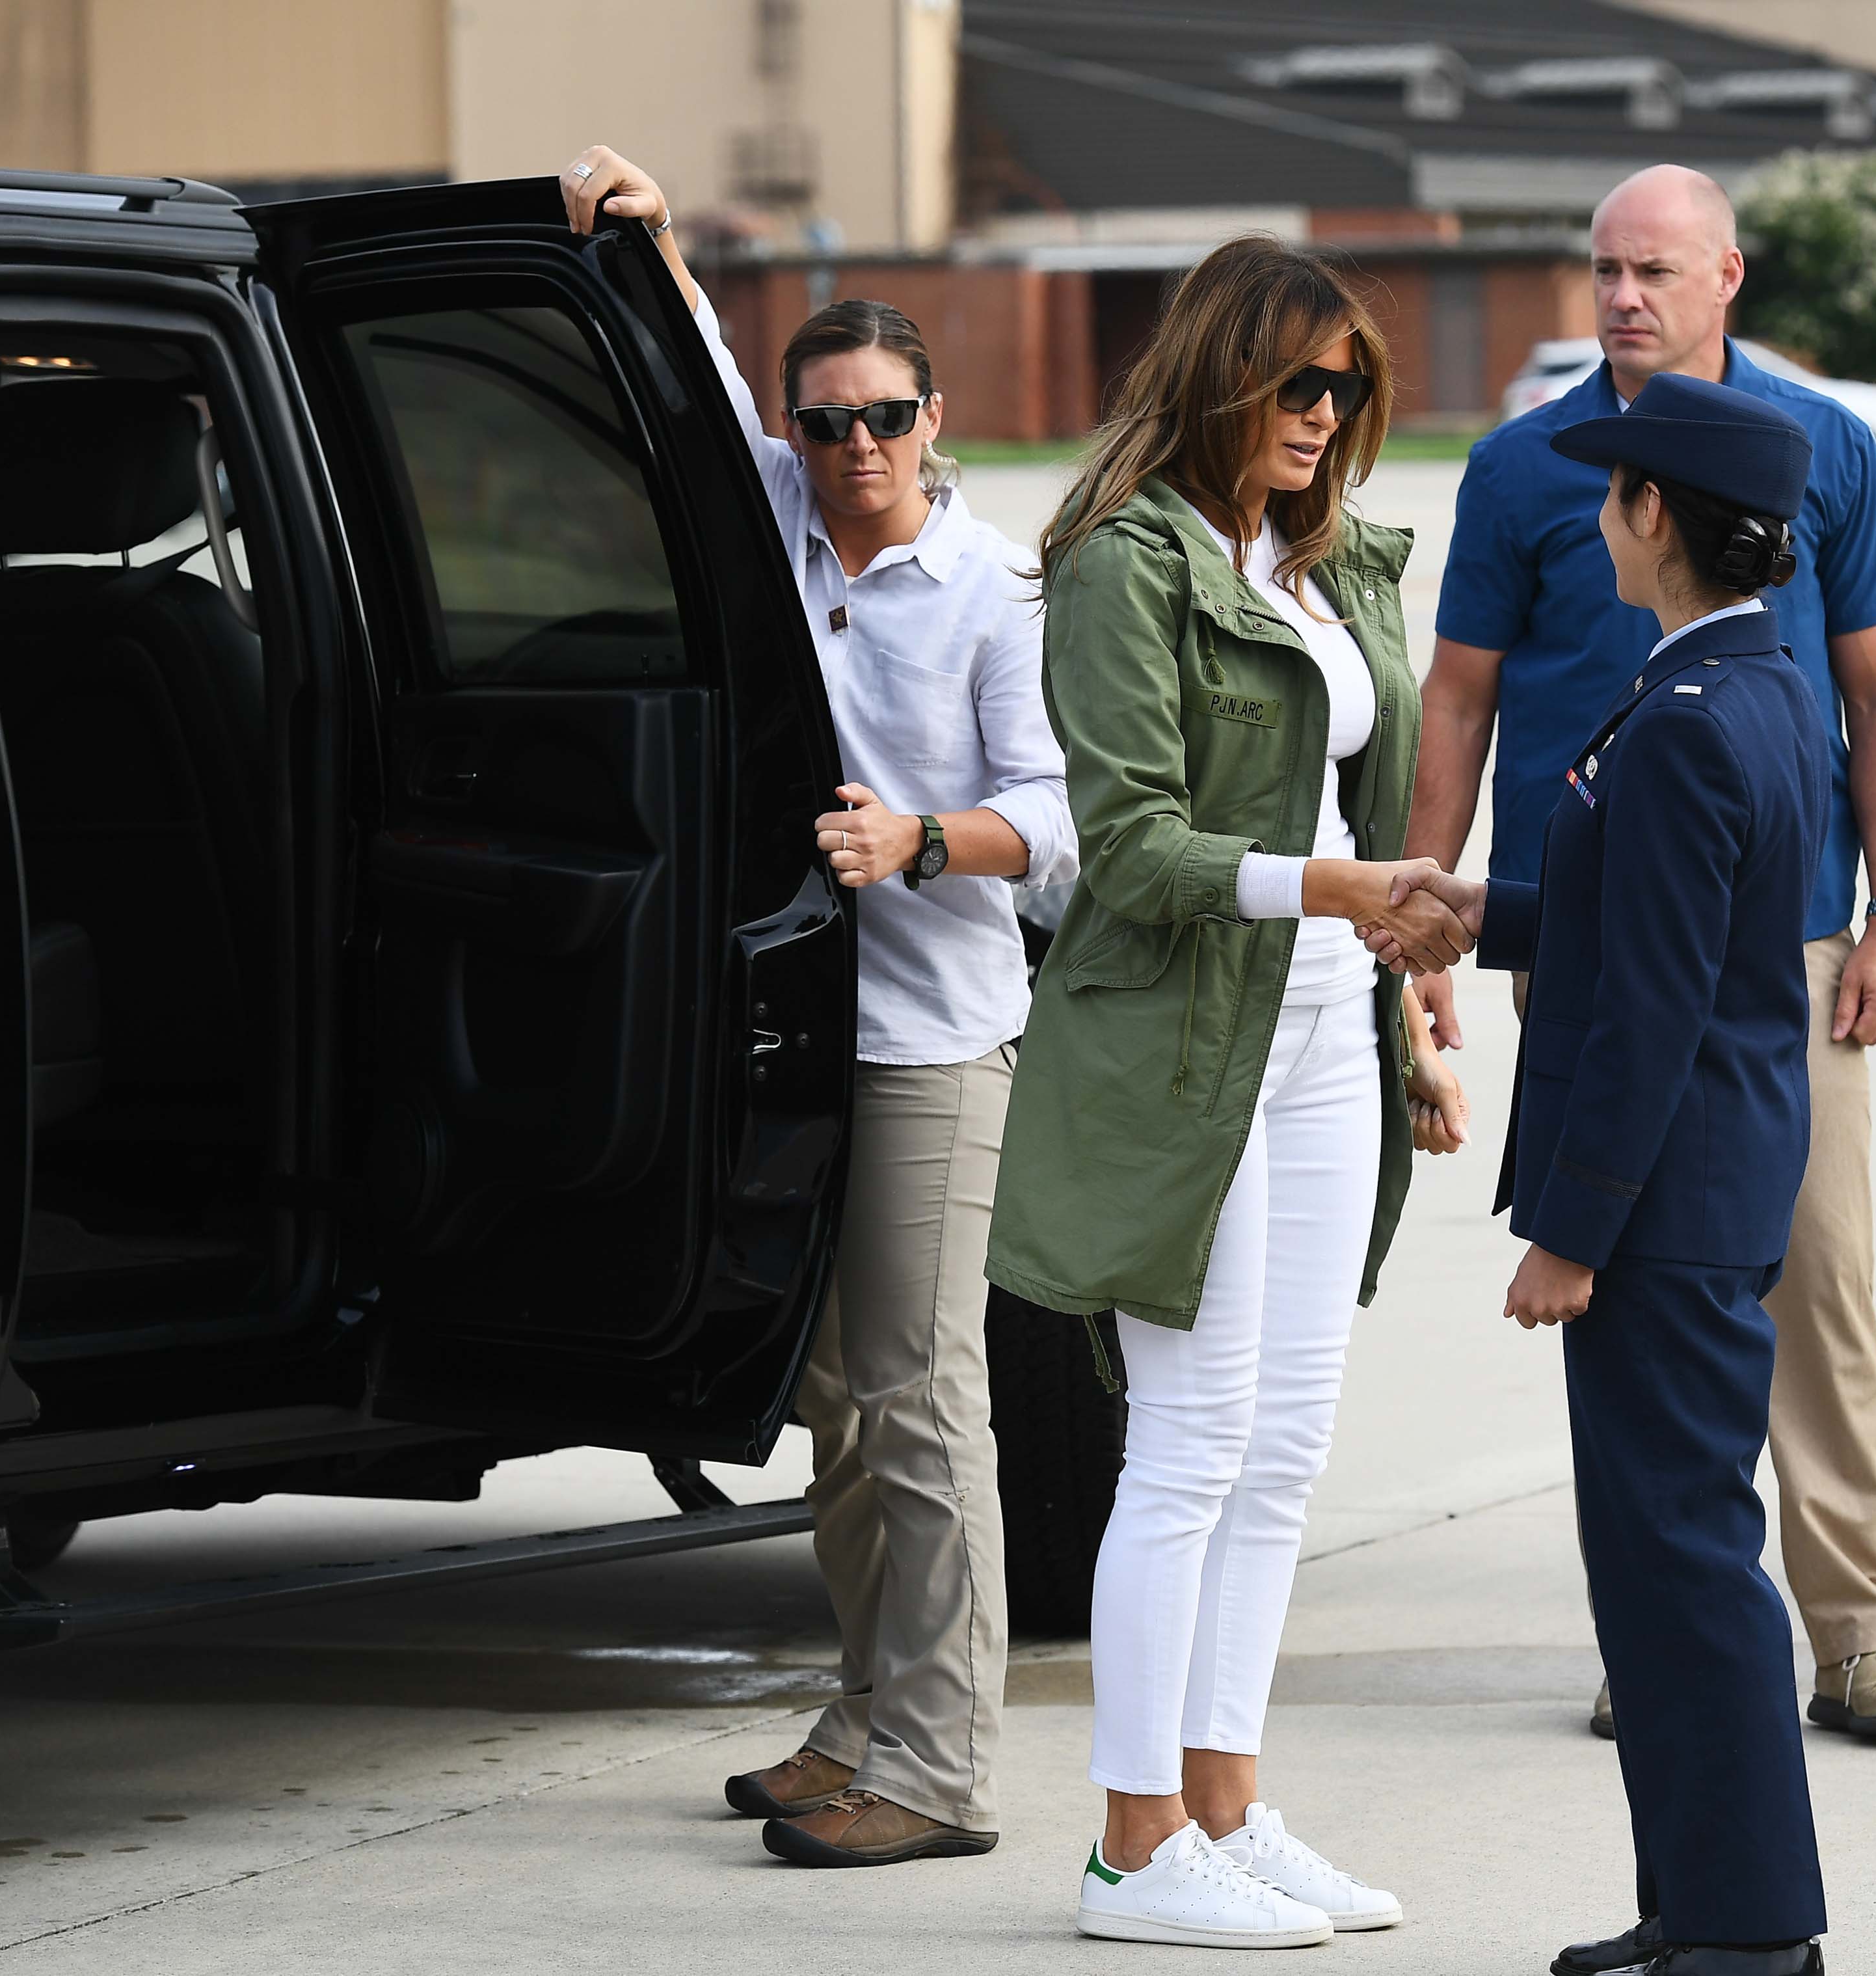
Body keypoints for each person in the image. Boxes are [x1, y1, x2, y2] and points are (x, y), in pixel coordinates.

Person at [560, 146, 1076, 1869]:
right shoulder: (780, 516)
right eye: (824, 421)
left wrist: (923, 837)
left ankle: (941, 1765)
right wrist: (649, 233)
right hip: (799, 1034)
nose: (853, 447)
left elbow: (1063, 826)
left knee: (926, 1401)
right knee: (845, 1403)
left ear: (937, 422)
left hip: (935, 1044)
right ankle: (865, 1713)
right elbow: (701, 381)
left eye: (884, 418)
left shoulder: (996, 595)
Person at [1414, 162, 1876, 1742]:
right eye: (1601, 270)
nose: (1621, 295)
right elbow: (1454, 697)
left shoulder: (1819, 450)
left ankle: (1854, 1629)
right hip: (1572, 919)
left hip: (1787, 937)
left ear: (1728, 275)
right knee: (1638, 1283)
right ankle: (1666, 1621)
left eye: (1653, 269)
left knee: (1817, 1275)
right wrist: (1432, 905)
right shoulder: (1528, 468)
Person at [985, 235, 1473, 1949]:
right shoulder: (1126, 563)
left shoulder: (1321, 561)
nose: (1325, 414)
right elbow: (1123, 847)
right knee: (1184, 1450)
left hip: (1332, 1036)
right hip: (1183, 1051)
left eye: (1347, 388)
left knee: (1281, 1448)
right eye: (1296, 384)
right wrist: (1333, 893)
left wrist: (1405, 997)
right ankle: (1129, 1850)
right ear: (1216, 374)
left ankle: (1223, 1805)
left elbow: (1360, 804)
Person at [1387, 372, 1832, 1976]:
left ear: (1652, 517)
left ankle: (1748, 1927)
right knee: (1655, 1564)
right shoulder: (1749, 686)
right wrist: (1475, 909)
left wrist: (1568, 1233)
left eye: (1610, 496)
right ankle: (1700, 1901)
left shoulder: (1688, 723)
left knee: (1680, 1565)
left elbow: (1652, 1006)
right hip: (1703, 1184)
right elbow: (1654, 922)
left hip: (1662, 1204)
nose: (1594, 520)